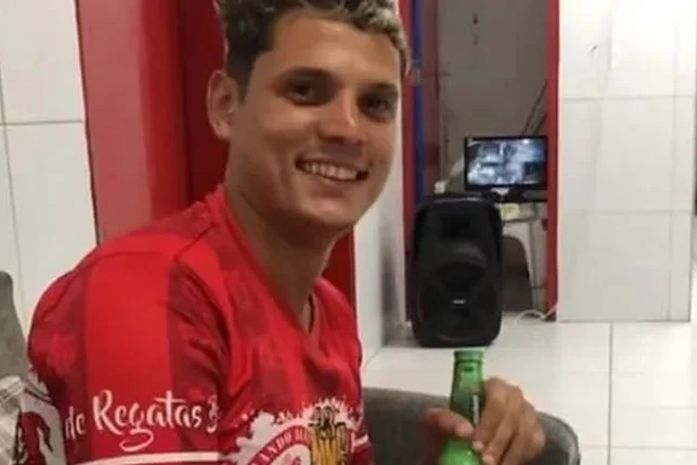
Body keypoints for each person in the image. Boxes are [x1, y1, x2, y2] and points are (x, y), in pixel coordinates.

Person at [19, 1, 545, 464]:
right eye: (305, 91)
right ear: (225, 105)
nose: (346, 129)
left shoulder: (330, 314)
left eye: (375, 104)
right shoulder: (145, 297)